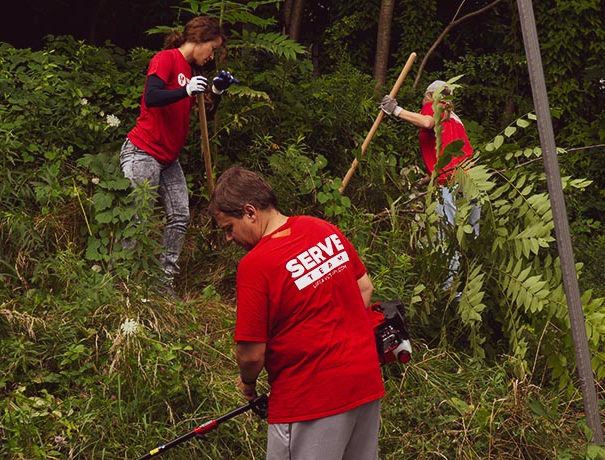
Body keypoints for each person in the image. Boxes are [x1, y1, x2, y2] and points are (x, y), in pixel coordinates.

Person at [208, 166, 385, 460]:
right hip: (364, 382)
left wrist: (247, 383)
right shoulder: (322, 228)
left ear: (250, 212)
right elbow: (365, 288)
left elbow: (251, 354)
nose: (229, 238)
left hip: (310, 399)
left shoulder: (256, 265)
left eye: (229, 228)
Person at [119, 15, 237, 293]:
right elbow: (152, 96)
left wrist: (216, 91)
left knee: (180, 216)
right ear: (199, 39)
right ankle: (121, 283)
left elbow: (203, 115)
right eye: (212, 49)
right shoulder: (166, 58)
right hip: (143, 151)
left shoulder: (191, 71)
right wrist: (184, 89)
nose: (211, 57)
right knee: (139, 216)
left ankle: (162, 284)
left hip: (168, 159)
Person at [380, 80, 480, 291]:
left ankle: (449, 293)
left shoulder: (435, 107)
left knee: (447, 238)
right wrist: (426, 179)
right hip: (472, 180)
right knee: (473, 238)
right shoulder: (455, 119)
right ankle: (477, 283)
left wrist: (396, 110)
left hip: (451, 183)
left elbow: (427, 123)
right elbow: (450, 155)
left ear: (429, 96)